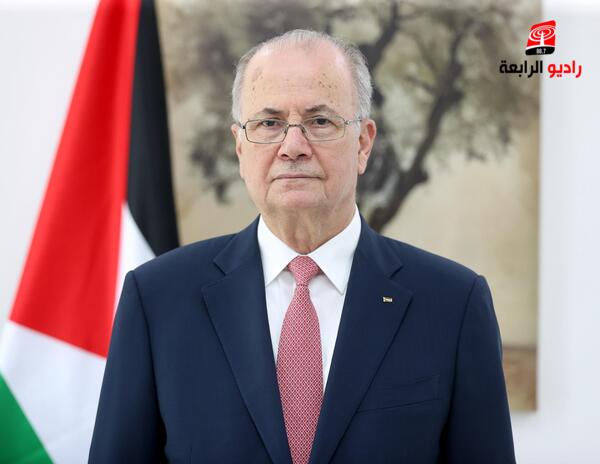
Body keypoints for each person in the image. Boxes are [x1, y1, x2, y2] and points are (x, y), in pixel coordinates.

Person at [89, 29, 515, 463]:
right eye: (269, 123)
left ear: (363, 143)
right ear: (240, 147)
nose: (293, 147)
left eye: (320, 122)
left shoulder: (454, 304)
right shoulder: (157, 299)